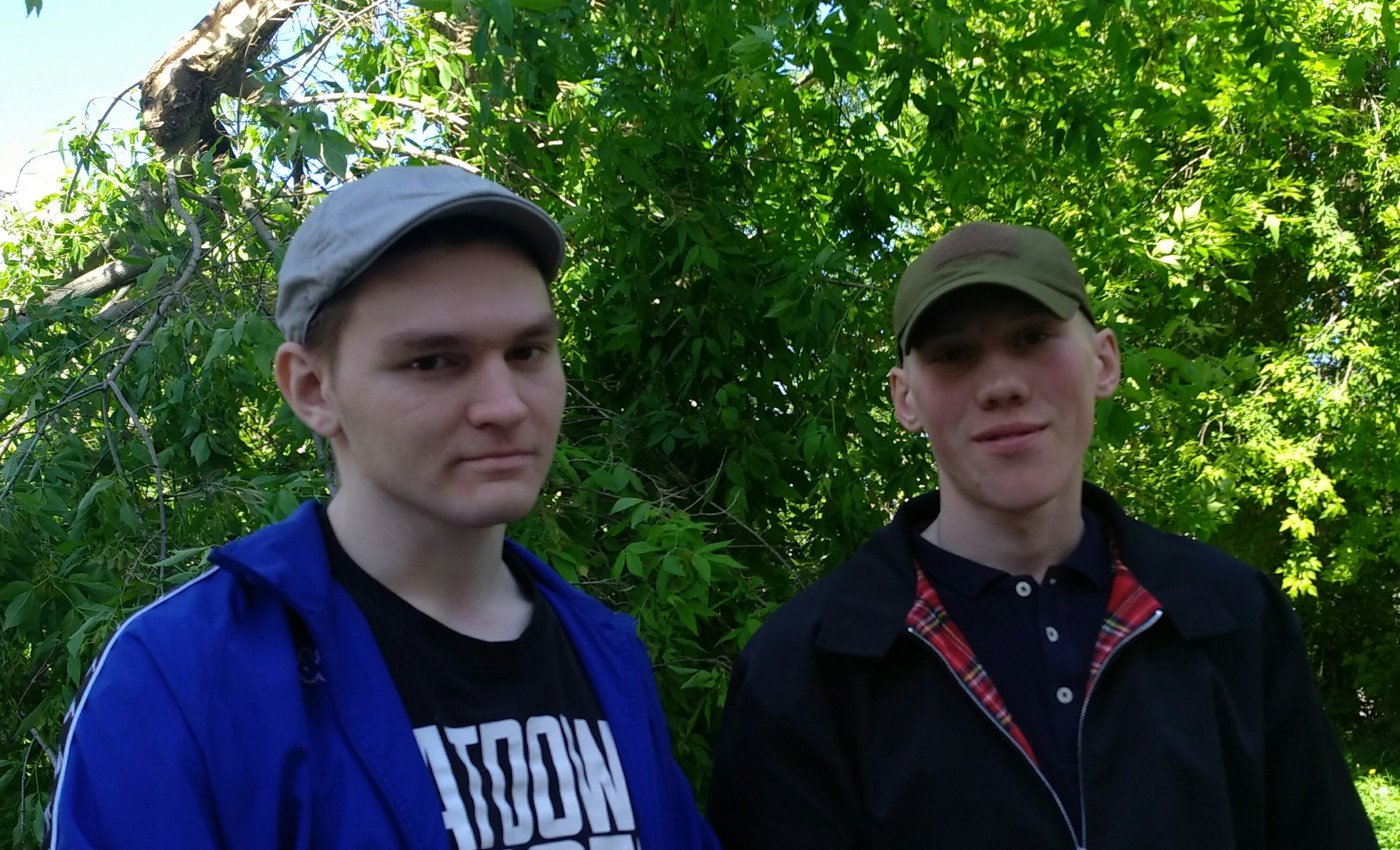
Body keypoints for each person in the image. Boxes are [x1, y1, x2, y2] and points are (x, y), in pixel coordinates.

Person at [48, 165, 719, 850]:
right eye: (433, 362)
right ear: (312, 390)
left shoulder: (605, 651)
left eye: (527, 352)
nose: (505, 406)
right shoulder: (184, 676)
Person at [707, 222, 1378, 849]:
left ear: (1105, 361)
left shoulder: (1235, 618)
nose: (1000, 384)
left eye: (1032, 338)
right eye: (953, 354)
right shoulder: (805, 668)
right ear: (905, 398)